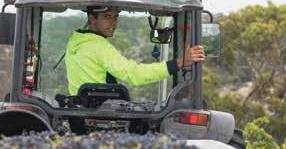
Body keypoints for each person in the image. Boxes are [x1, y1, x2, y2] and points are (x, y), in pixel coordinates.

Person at [65, 6, 205, 96]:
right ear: (92, 19)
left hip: (80, 111)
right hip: (99, 112)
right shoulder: (99, 47)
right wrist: (180, 62)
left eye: (115, 17)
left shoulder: (75, 42)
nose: (113, 23)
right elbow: (134, 74)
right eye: (107, 17)